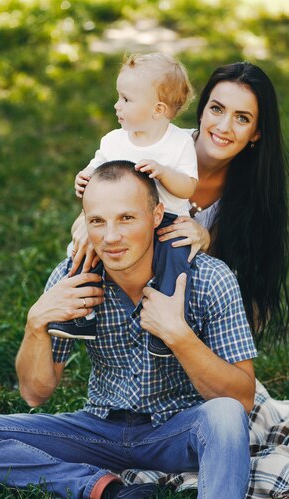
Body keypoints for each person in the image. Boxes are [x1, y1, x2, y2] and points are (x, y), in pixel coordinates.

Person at [0, 161, 257, 499]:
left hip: (179, 431)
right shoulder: (75, 276)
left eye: (126, 218)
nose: (111, 236)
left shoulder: (209, 278)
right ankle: (113, 494)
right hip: (100, 431)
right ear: (84, 222)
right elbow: (35, 394)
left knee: (226, 418)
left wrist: (179, 336)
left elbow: (243, 398)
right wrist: (36, 324)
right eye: (98, 221)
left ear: (156, 217)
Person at [71, 61, 289, 347]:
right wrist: (84, 224)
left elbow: (235, 279)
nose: (223, 126)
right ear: (201, 111)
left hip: (190, 321)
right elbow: (108, 196)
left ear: (257, 133)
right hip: (125, 301)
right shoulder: (161, 146)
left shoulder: (254, 191)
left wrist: (206, 239)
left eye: (242, 118)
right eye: (217, 109)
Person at [48, 52, 198, 358]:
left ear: (157, 109)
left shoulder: (179, 143)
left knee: (175, 264)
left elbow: (189, 186)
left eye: (126, 100)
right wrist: (85, 178)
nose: (117, 105)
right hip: (121, 220)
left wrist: (164, 173)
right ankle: (81, 316)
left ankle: (167, 326)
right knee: (83, 254)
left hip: (168, 221)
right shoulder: (114, 141)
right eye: (119, 97)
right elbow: (98, 171)